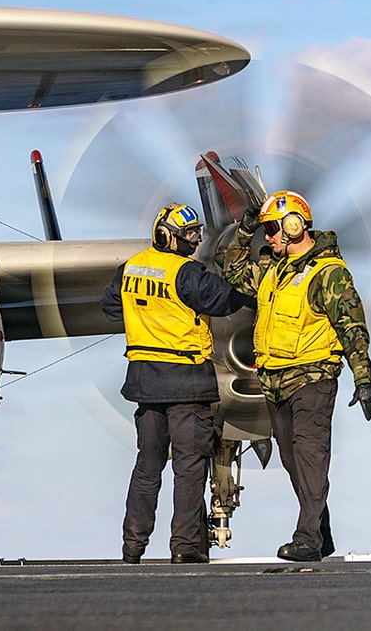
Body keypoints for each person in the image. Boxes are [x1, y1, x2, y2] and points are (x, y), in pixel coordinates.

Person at [223, 190, 371, 562]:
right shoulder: (272, 272)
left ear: (293, 226)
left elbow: (352, 326)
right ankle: (322, 535)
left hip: (313, 379)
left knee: (310, 456)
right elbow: (232, 272)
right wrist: (244, 230)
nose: (269, 237)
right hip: (275, 384)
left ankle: (306, 539)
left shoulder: (329, 274)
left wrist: (363, 379)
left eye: (271, 230)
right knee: (294, 461)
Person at [102, 203, 255, 564]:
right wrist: (256, 292)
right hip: (187, 384)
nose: (196, 240)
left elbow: (111, 307)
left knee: (147, 466)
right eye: (189, 235)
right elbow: (224, 300)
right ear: (166, 235)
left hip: (146, 385)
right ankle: (185, 547)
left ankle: (132, 546)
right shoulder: (187, 273)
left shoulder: (131, 268)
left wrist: (149, 316)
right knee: (189, 468)